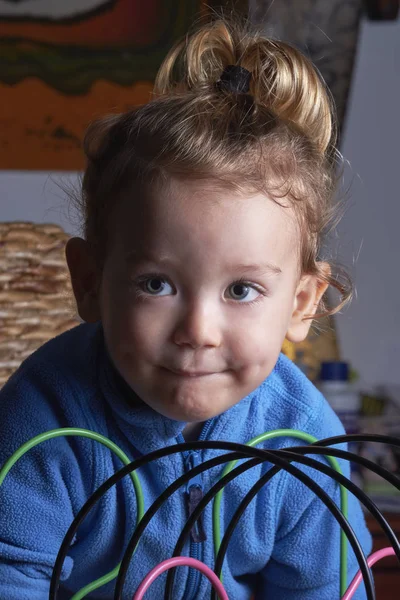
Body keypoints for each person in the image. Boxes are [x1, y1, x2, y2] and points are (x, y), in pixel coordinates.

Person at [0, 16, 371, 600]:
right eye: (156, 285)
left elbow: (326, 589)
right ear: (90, 280)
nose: (198, 331)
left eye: (241, 290)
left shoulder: (305, 441)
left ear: (301, 303)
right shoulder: (41, 420)